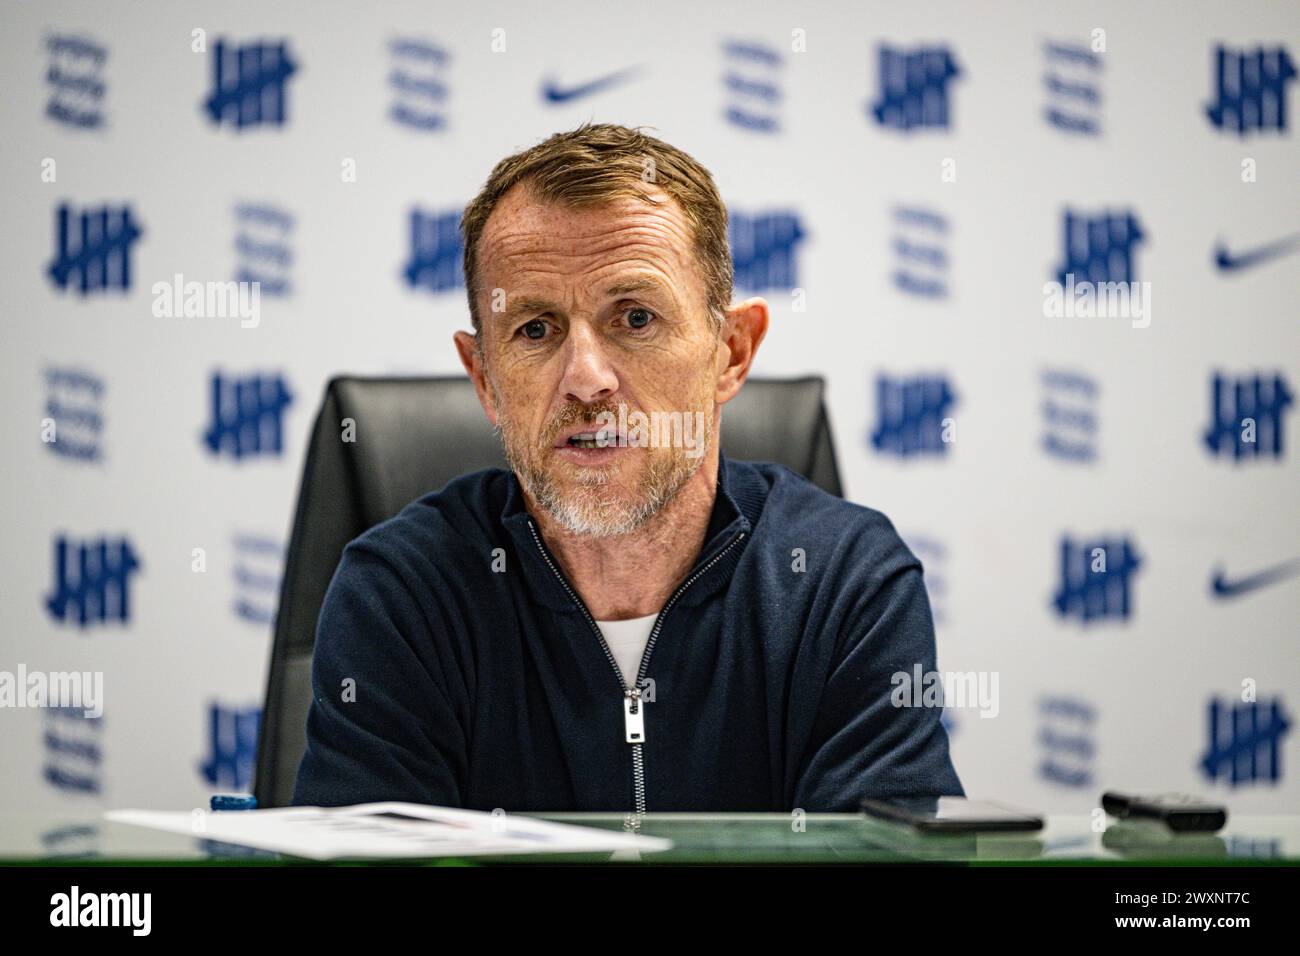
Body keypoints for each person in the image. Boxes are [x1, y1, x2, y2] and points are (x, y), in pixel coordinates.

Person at [292, 122, 963, 813]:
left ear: (731, 352)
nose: (586, 379)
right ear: (484, 379)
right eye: (534, 329)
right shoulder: (404, 594)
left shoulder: (847, 585)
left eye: (636, 318)